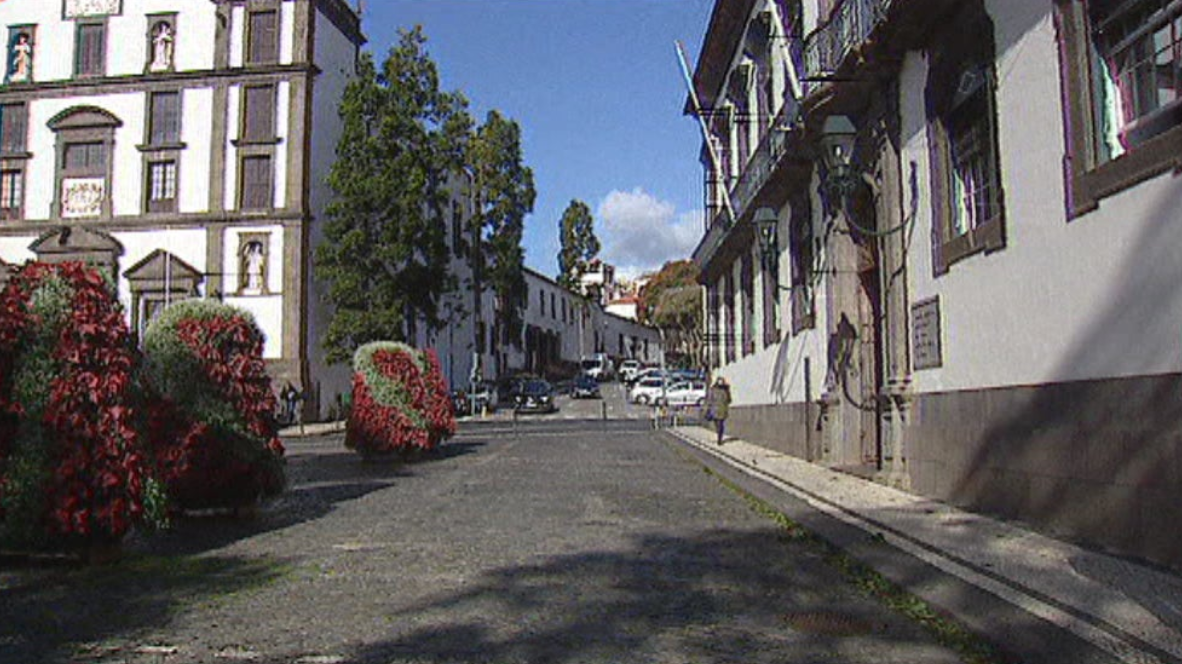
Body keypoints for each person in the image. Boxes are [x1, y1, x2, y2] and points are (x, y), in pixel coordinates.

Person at [705, 377, 731, 445]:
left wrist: (728, 391)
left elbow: (729, 400)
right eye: (719, 382)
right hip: (715, 410)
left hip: (722, 410)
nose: (720, 383)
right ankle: (719, 435)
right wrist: (708, 408)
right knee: (717, 424)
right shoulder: (713, 390)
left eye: (722, 382)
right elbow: (710, 400)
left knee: (721, 425)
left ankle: (719, 439)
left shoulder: (725, 390)